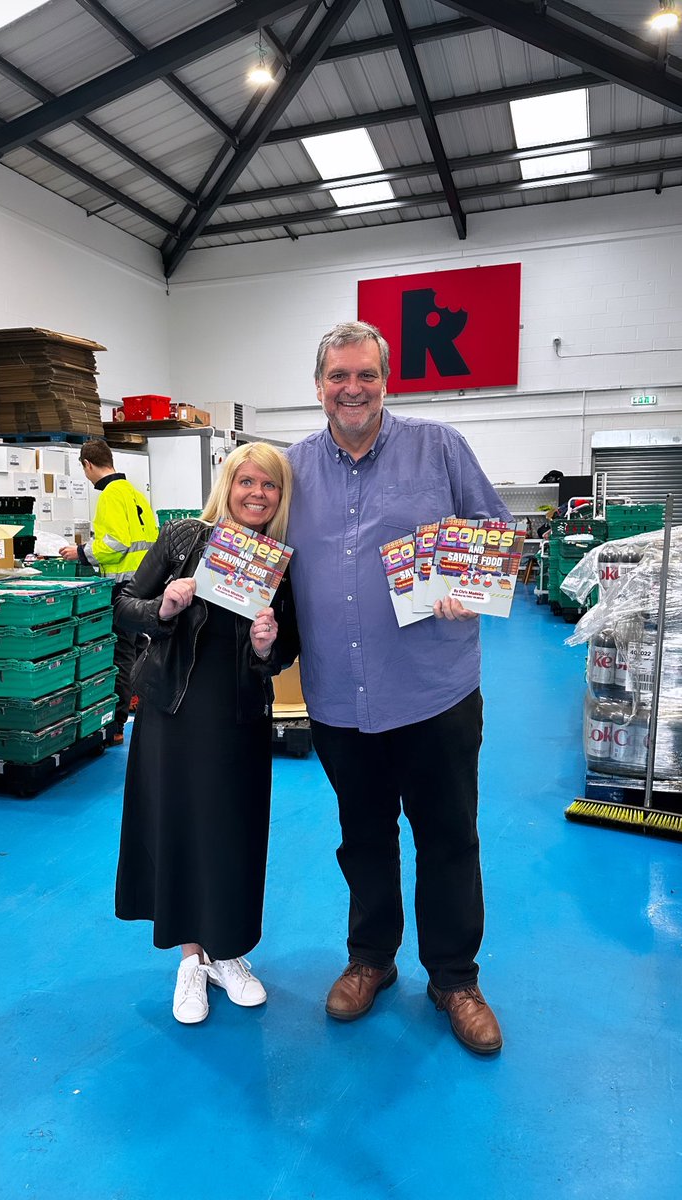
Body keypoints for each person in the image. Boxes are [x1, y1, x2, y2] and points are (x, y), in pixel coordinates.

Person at [285, 321, 512, 1054]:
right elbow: (258, 553)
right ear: (317, 384)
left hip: (432, 689)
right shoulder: (292, 468)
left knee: (448, 837)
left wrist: (465, 585)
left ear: (388, 381)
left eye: (365, 376)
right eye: (337, 376)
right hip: (339, 698)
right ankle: (369, 961)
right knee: (363, 838)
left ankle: (454, 977)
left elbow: (496, 534)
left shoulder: (437, 447)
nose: (351, 389)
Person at [113, 443, 297, 1025]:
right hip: (174, 712)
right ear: (228, 484)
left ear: (280, 495)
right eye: (246, 481)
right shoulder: (183, 539)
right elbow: (123, 605)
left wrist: (269, 647)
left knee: (233, 833)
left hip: (239, 717)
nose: (256, 494)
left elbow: (288, 646)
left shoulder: (280, 562)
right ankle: (192, 959)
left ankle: (228, 951)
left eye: (269, 485)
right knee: (180, 828)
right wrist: (163, 609)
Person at [60, 439, 158, 744]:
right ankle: (142, 706)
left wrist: (81, 552)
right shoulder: (134, 493)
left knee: (121, 652)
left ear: (88, 465)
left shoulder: (110, 496)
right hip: (145, 583)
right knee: (140, 647)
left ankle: (115, 725)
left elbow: (115, 542)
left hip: (123, 586)